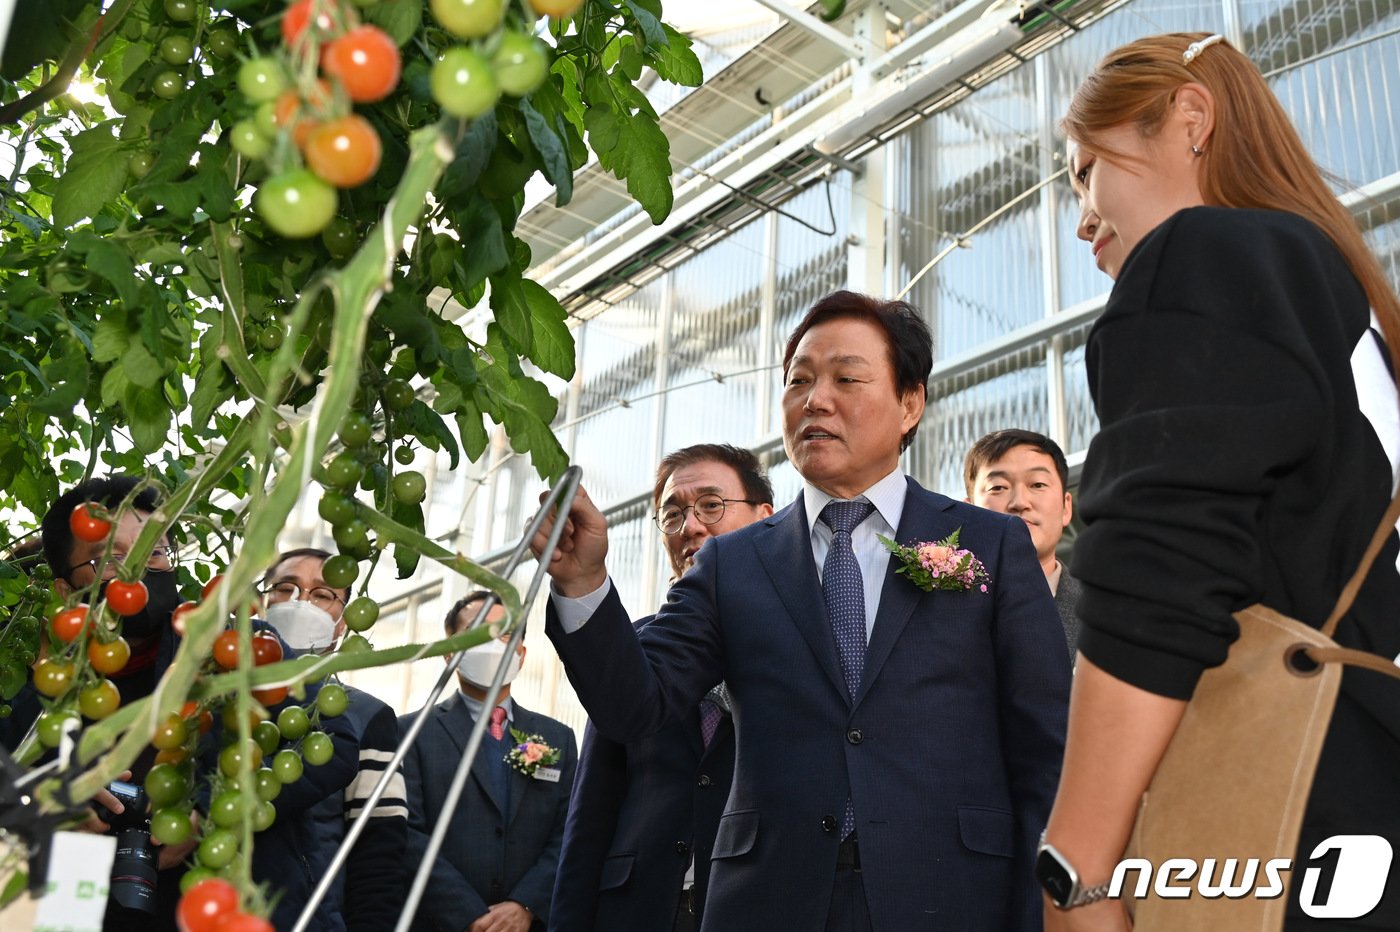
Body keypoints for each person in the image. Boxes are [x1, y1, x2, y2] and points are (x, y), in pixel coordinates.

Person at [533, 291, 1071, 931]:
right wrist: (585, 581)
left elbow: (1047, 744)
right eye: (799, 382)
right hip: (769, 901)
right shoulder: (733, 563)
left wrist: (1047, 904)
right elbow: (636, 706)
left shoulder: (990, 543)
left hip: (952, 895)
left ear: (909, 403)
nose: (815, 399)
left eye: (846, 378)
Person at [1042, 32, 1400, 929]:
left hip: (1287, 828)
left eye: (1087, 171)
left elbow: (1160, 569)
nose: (1081, 214)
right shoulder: (1352, 304)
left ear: (1190, 121)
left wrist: (1077, 866)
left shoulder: (1207, 253)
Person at [550, 444, 775, 932]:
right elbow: (590, 817)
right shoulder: (630, 648)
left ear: (766, 518)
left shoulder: (802, 640)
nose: (691, 526)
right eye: (672, 515)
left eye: (711, 506)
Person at [12, 475, 199, 931]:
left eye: (154, 552)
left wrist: (204, 807)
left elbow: (335, 737)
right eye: (108, 559)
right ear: (63, 592)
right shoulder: (26, 700)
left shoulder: (222, 649)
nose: (137, 571)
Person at [400, 593, 577, 932]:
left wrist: (525, 904)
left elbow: (569, 830)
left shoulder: (558, 738)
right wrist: (468, 914)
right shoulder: (409, 733)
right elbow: (408, 834)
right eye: (478, 632)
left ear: (521, 656)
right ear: (450, 650)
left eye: (506, 634)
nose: (494, 644)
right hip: (439, 923)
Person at [254, 548, 407, 932]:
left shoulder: (365, 716)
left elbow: (378, 848)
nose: (301, 602)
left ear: (341, 624)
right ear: (261, 603)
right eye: (285, 587)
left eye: (322, 595)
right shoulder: (218, 692)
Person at [965, 429, 1080, 652]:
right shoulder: (942, 613)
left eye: (1037, 484)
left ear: (1067, 507)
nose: (1019, 502)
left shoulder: (1108, 612)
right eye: (998, 487)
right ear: (968, 512)